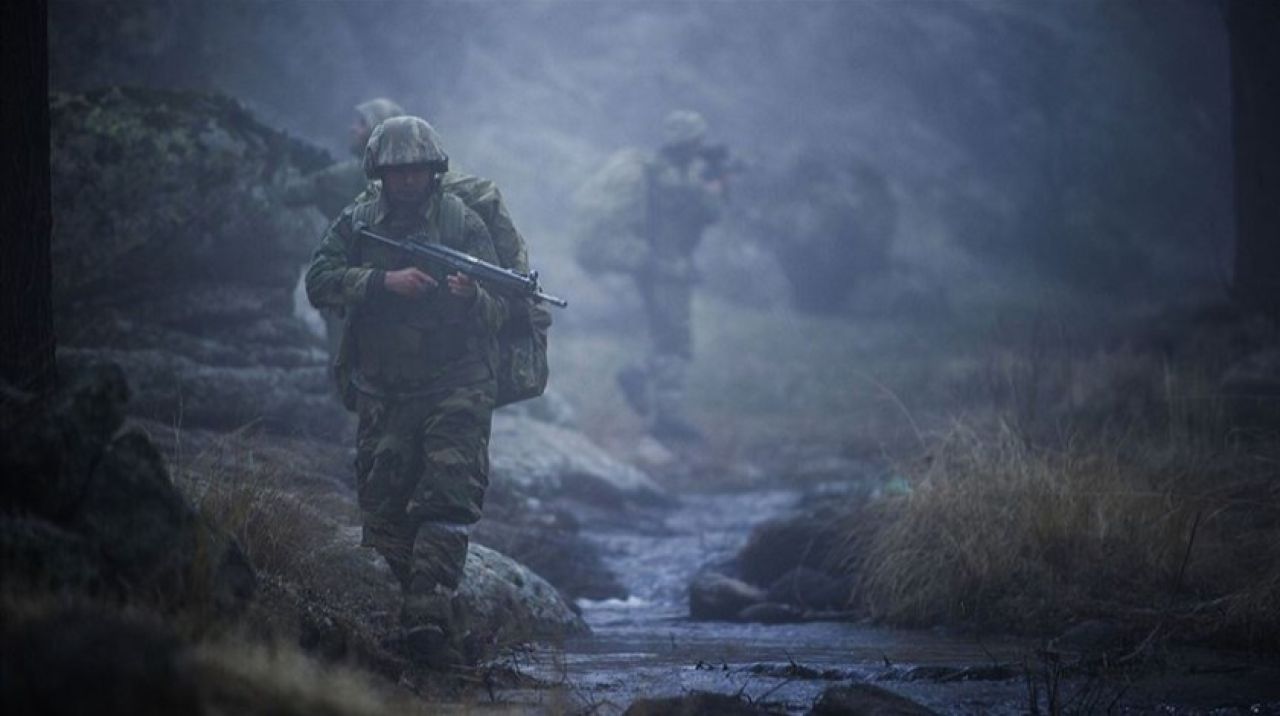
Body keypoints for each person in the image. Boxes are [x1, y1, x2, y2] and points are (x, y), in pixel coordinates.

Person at [304, 116, 507, 666]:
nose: (409, 181)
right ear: (379, 173)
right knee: (385, 511)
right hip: (384, 387)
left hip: (457, 382)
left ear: (433, 171)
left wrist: (470, 297)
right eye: (398, 172)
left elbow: (501, 310)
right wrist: (380, 282)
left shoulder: (462, 223)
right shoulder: (359, 220)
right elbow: (319, 281)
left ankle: (427, 614)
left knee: (447, 494)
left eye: (418, 170)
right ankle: (418, 616)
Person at [573, 110, 728, 444]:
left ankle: (662, 408)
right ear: (691, 142)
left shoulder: (656, 170)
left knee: (665, 337)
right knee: (675, 341)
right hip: (667, 268)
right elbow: (709, 212)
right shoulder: (677, 179)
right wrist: (717, 185)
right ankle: (656, 399)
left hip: (651, 264)